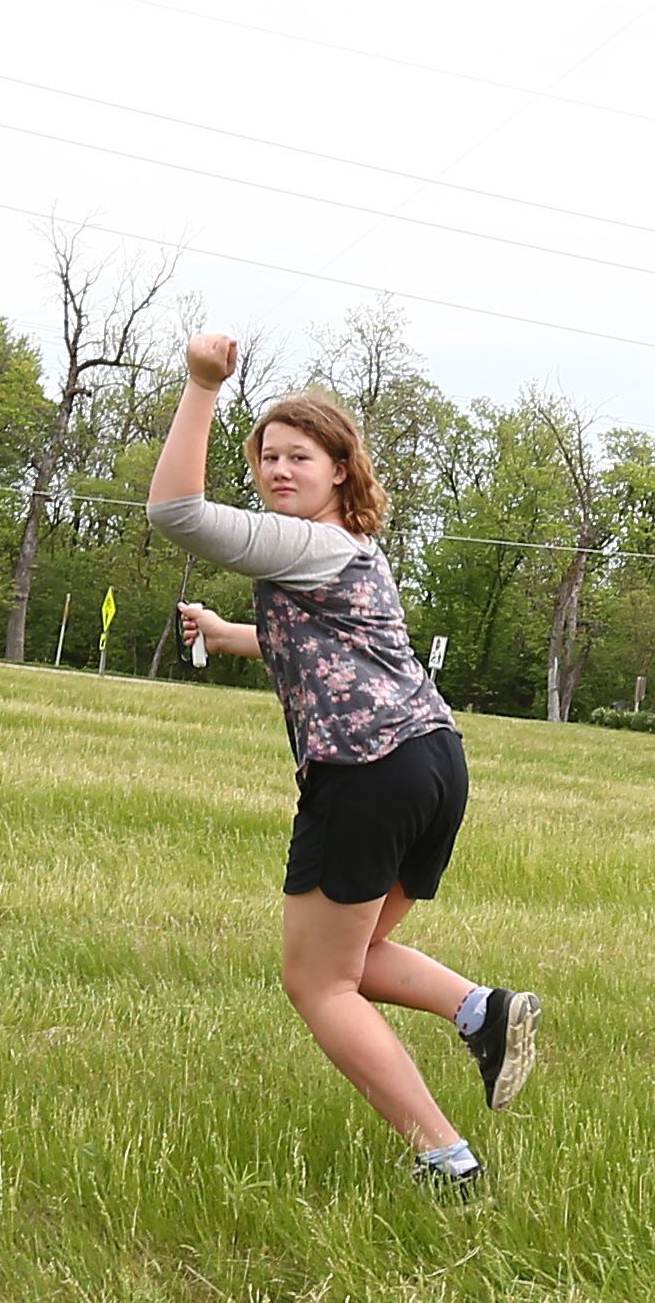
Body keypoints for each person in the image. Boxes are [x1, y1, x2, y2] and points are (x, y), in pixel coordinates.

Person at [147, 330, 538, 1194]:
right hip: (432, 761)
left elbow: (174, 510)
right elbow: (327, 648)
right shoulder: (349, 551)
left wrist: (201, 384)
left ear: (340, 469)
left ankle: (446, 1158)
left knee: (316, 982)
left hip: (365, 771)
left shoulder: (304, 543)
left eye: (300, 456)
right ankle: (482, 1010)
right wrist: (228, 634)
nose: (279, 470)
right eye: (268, 457)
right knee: (350, 960)